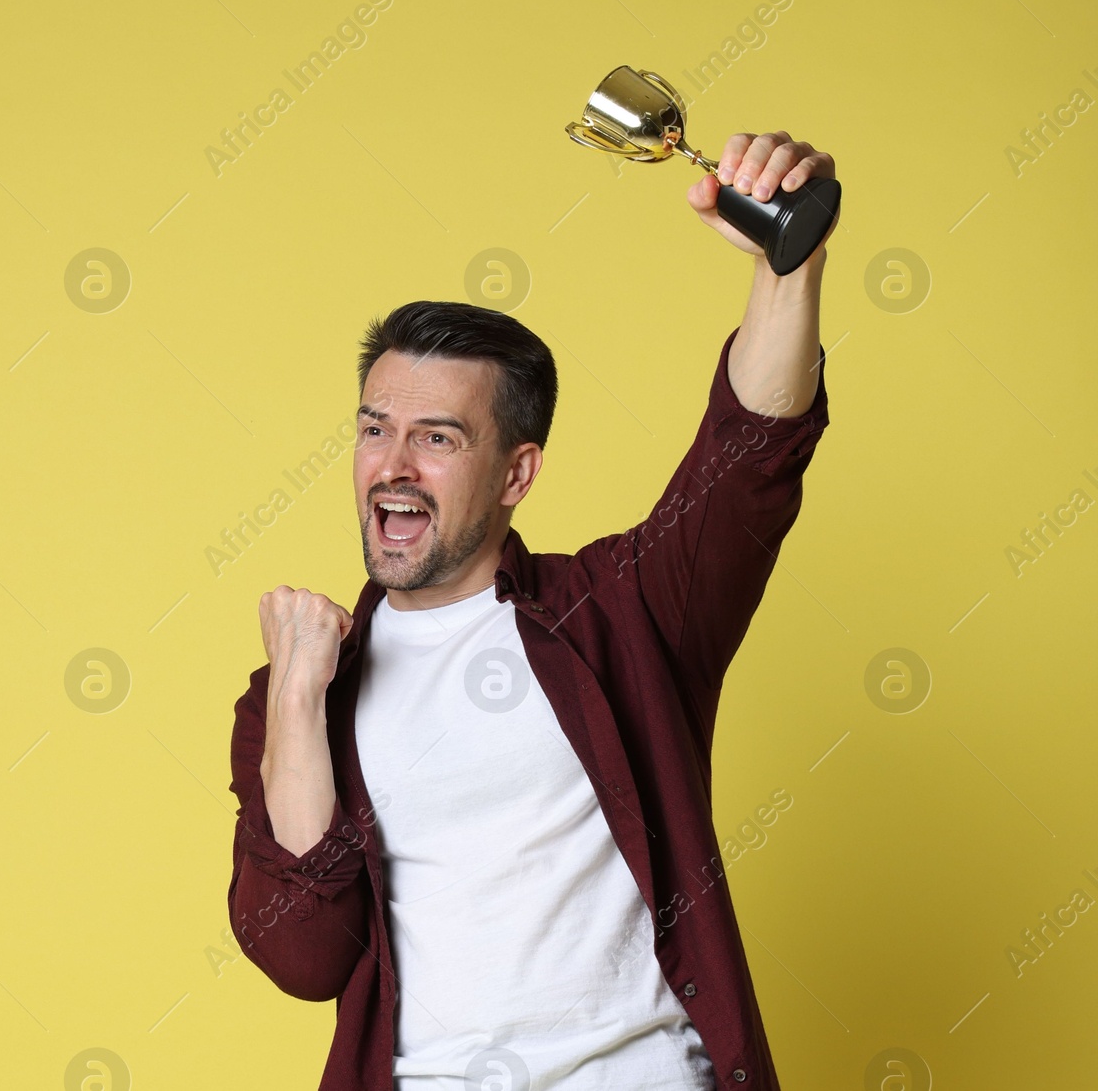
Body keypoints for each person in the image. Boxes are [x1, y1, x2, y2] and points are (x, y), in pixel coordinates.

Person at [227, 132, 838, 1091]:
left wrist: (786, 267)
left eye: (437, 437)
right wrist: (301, 703)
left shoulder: (621, 614)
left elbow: (748, 457)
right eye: (374, 429)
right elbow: (303, 958)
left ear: (517, 473)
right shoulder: (296, 690)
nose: (392, 465)